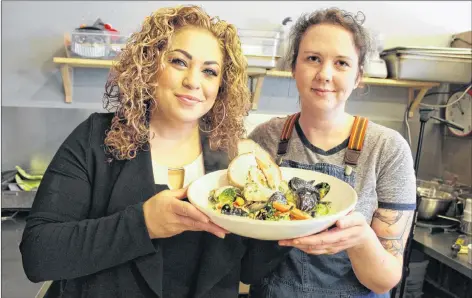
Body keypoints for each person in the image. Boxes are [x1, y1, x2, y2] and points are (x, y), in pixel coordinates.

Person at [20, 5, 290, 298]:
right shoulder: (97, 139)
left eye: (210, 71)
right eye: (178, 62)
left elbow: (251, 269)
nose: (193, 81)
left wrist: (281, 221)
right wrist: (143, 224)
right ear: (149, 67)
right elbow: (39, 255)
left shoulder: (233, 162)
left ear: (221, 87)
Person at [247, 8, 417, 298]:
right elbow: (246, 256)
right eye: (313, 58)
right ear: (293, 67)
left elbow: (384, 280)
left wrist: (361, 240)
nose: (325, 74)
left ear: (358, 76)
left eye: (341, 63)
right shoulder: (265, 139)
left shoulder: (387, 148)